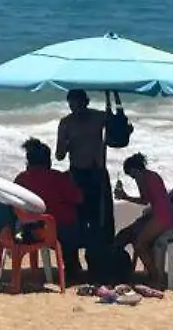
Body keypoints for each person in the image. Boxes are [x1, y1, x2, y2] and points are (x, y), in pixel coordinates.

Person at [14, 137, 85, 278]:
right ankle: (72, 267)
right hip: (61, 233)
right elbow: (78, 198)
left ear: (28, 161)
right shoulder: (58, 177)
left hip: (29, 233)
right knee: (76, 220)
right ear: (48, 161)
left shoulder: (20, 179)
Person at [56, 89, 110, 267]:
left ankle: (97, 259)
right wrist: (67, 143)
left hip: (98, 173)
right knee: (77, 219)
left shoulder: (99, 117)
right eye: (72, 105)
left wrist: (114, 102)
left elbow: (119, 133)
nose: (75, 109)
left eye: (78, 105)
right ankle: (74, 263)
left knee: (100, 220)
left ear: (86, 103)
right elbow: (59, 155)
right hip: (77, 174)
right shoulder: (65, 123)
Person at [111, 153, 173, 283]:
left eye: (132, 175)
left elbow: (144, 201)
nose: (133, 178)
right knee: (130, 235)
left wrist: (124, 196)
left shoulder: (142, 177)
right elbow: (150, 200)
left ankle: (155, 276)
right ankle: (147, 273)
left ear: (135, 170)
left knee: (140, 244)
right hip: (163, 214)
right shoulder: (151, 175)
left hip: (160, 216)